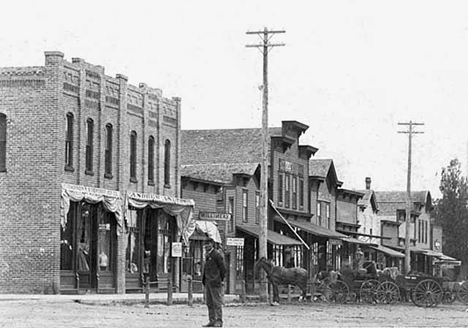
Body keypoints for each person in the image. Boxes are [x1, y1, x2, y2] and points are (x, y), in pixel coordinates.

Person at [202, 238, 226, 327]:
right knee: (209, 303)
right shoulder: (207, 255)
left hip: (215, 282)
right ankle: (212, 320)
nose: (206, 246)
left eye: (207, 244)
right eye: (205, 245)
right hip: (207, 282)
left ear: (212, 244)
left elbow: (223, 269)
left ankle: (219, 321)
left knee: (217, 302)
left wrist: (219, 279)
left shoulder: (217, 255)